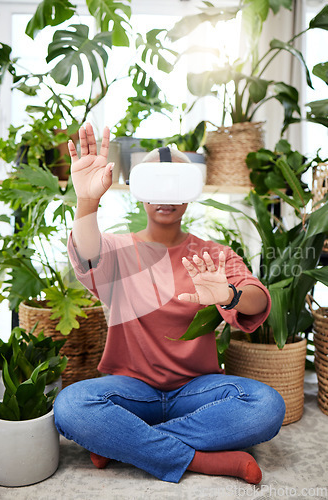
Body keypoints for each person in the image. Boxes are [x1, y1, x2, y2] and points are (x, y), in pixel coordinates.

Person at [54, 123, 286, 485]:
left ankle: (124, 441)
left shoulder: (213, 255)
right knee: (70, 405)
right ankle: (202, 458)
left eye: (175, 184)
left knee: (267, 406)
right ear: (139, 191)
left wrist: (230, 294)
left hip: (197, 389)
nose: (165, 196)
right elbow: (86, 252)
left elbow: (257, 300)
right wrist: (87, 200)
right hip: (130, 389)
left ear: (189, 192)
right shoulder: (116, 250)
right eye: (155, 184)